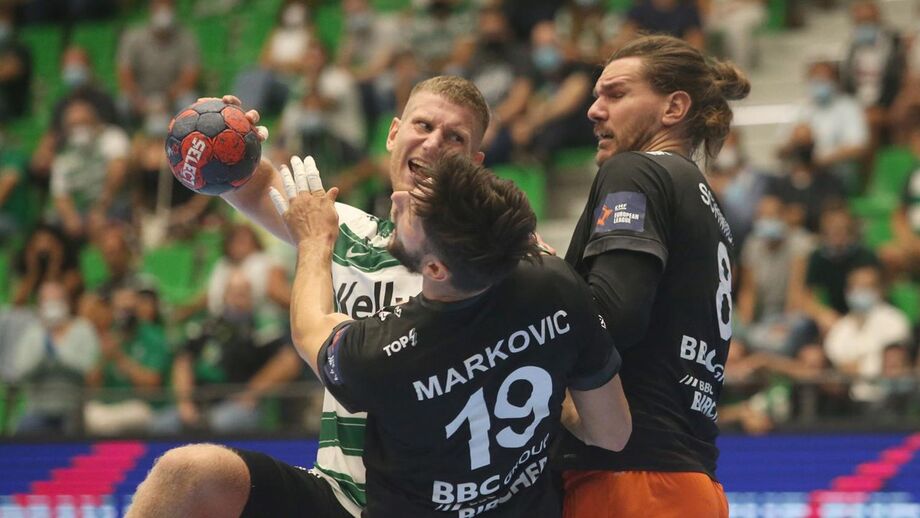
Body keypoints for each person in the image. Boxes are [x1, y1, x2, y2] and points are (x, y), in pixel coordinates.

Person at [129, 152, 631, 517]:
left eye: (412, 210)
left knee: (184, 475)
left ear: (434, 268)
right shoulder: (554, 282)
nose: (396, 198)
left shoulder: (391, 350)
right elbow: (612, 432)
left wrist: (314, 240)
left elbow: (308, 330)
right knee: (191, 473)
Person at [127, 76, 498, 518]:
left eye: (454, 137)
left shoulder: (491, 264)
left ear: (474, 163)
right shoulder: (341, 230)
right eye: (423, 126)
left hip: (437, 505)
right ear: (394, 133)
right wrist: (228, 141)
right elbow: (250, 185)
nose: (434, 143)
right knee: (187, 473)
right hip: (338, 496)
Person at [556, 35, 750, 518]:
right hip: (690, 480)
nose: (594, 110)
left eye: (616, 94)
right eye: (597, 95)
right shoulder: (707, 203)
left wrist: (534, 284)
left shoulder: (636, 171)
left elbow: (614, 313)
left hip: (630, 484)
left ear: (673, 108)